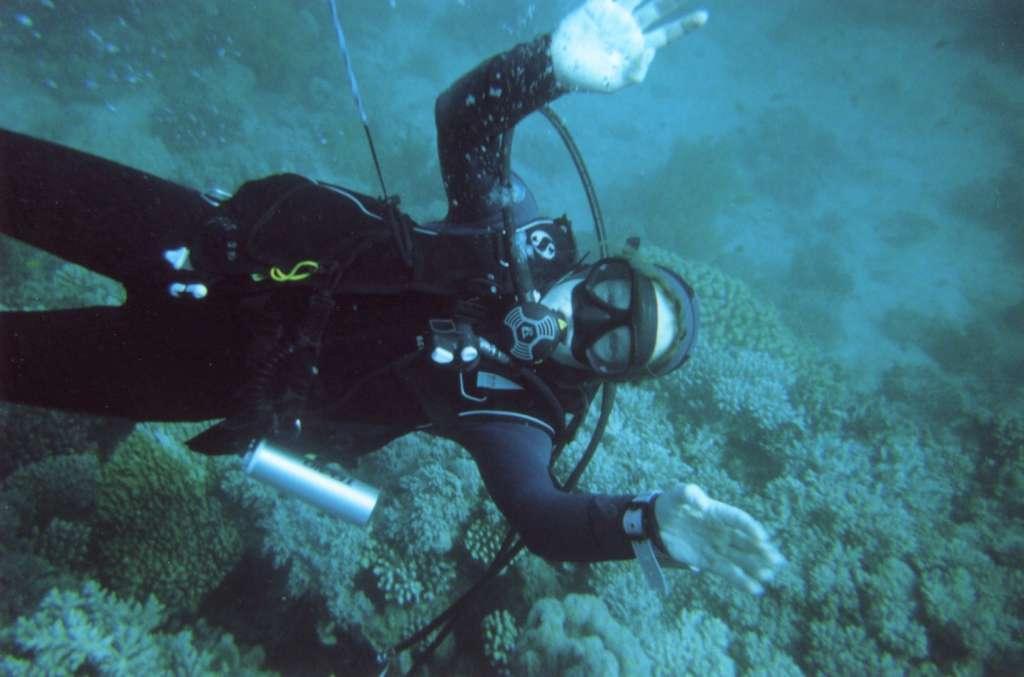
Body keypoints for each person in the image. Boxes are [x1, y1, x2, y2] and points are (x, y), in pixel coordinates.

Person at [0, 0, 783, 596]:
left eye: (614, 342)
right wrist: (552, 67)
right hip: (208, 239)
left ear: (607, 373)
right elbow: (466, 119)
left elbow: (543, 515)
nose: (591, 317)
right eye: (614, 295)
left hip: (200, 373)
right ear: (605, 265)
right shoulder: (510, 226)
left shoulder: (519, 409)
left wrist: (648, 523)